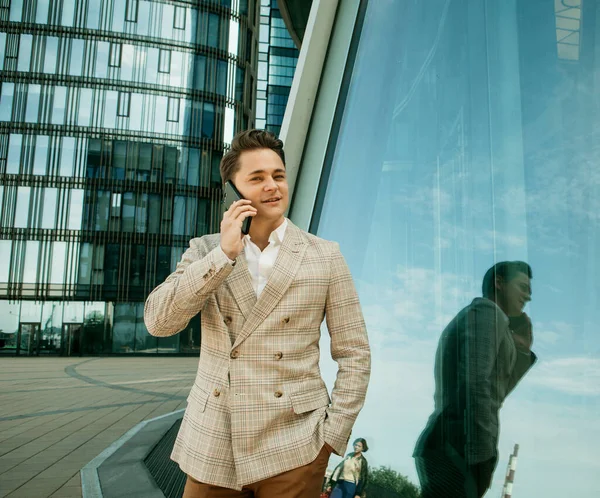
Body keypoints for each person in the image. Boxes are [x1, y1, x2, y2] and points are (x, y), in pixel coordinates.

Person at [144, 129, 371, 498]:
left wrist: (331, 437)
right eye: (257, 178)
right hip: (214, 441)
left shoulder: (325, 254)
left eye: (278, 176)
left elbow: (354, 353)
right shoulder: (204, 250)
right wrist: (223, 255)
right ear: (232, 191)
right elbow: (158, 321)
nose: (273, 186)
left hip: (295, 445)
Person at [413, 261, 537, 498]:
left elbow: (495, 393)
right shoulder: (487, 312)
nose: (527, 297)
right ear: (499, 283)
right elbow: (474, 383)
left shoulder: (489, 317)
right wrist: (482, 455)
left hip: (455, 443)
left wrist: (522, 351)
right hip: (460, 446)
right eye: (522, 287)